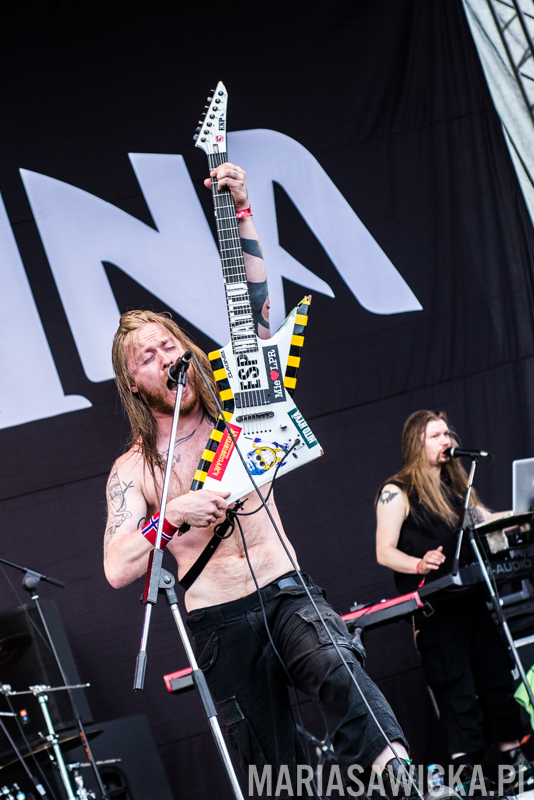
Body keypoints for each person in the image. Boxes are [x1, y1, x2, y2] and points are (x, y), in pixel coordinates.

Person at [104, 162, 418, 798]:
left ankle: (408, 785)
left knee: (341, 672)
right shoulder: (134, 467)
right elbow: (116, 567)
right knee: (274, 771)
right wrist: (174, 515)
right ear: (133, 382)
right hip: (218, 621)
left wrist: (242, 211)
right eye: (147, 357)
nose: (165, 358)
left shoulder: (240, 401)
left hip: (285, 589)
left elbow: (254, 308)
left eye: (169, 345)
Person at [375, 409, 528, 789]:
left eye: (447, 434)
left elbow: (487, 521)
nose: (446, 441)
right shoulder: (396, 491)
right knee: (457, 691)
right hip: (436, 610)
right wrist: (418, 563)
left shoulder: (458, 487)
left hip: (473, 601)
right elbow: (384, 551)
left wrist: (522, 516)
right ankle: (467, 777)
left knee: (497, 679)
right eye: (436, 435)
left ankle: (513, 760)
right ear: (416, 443)